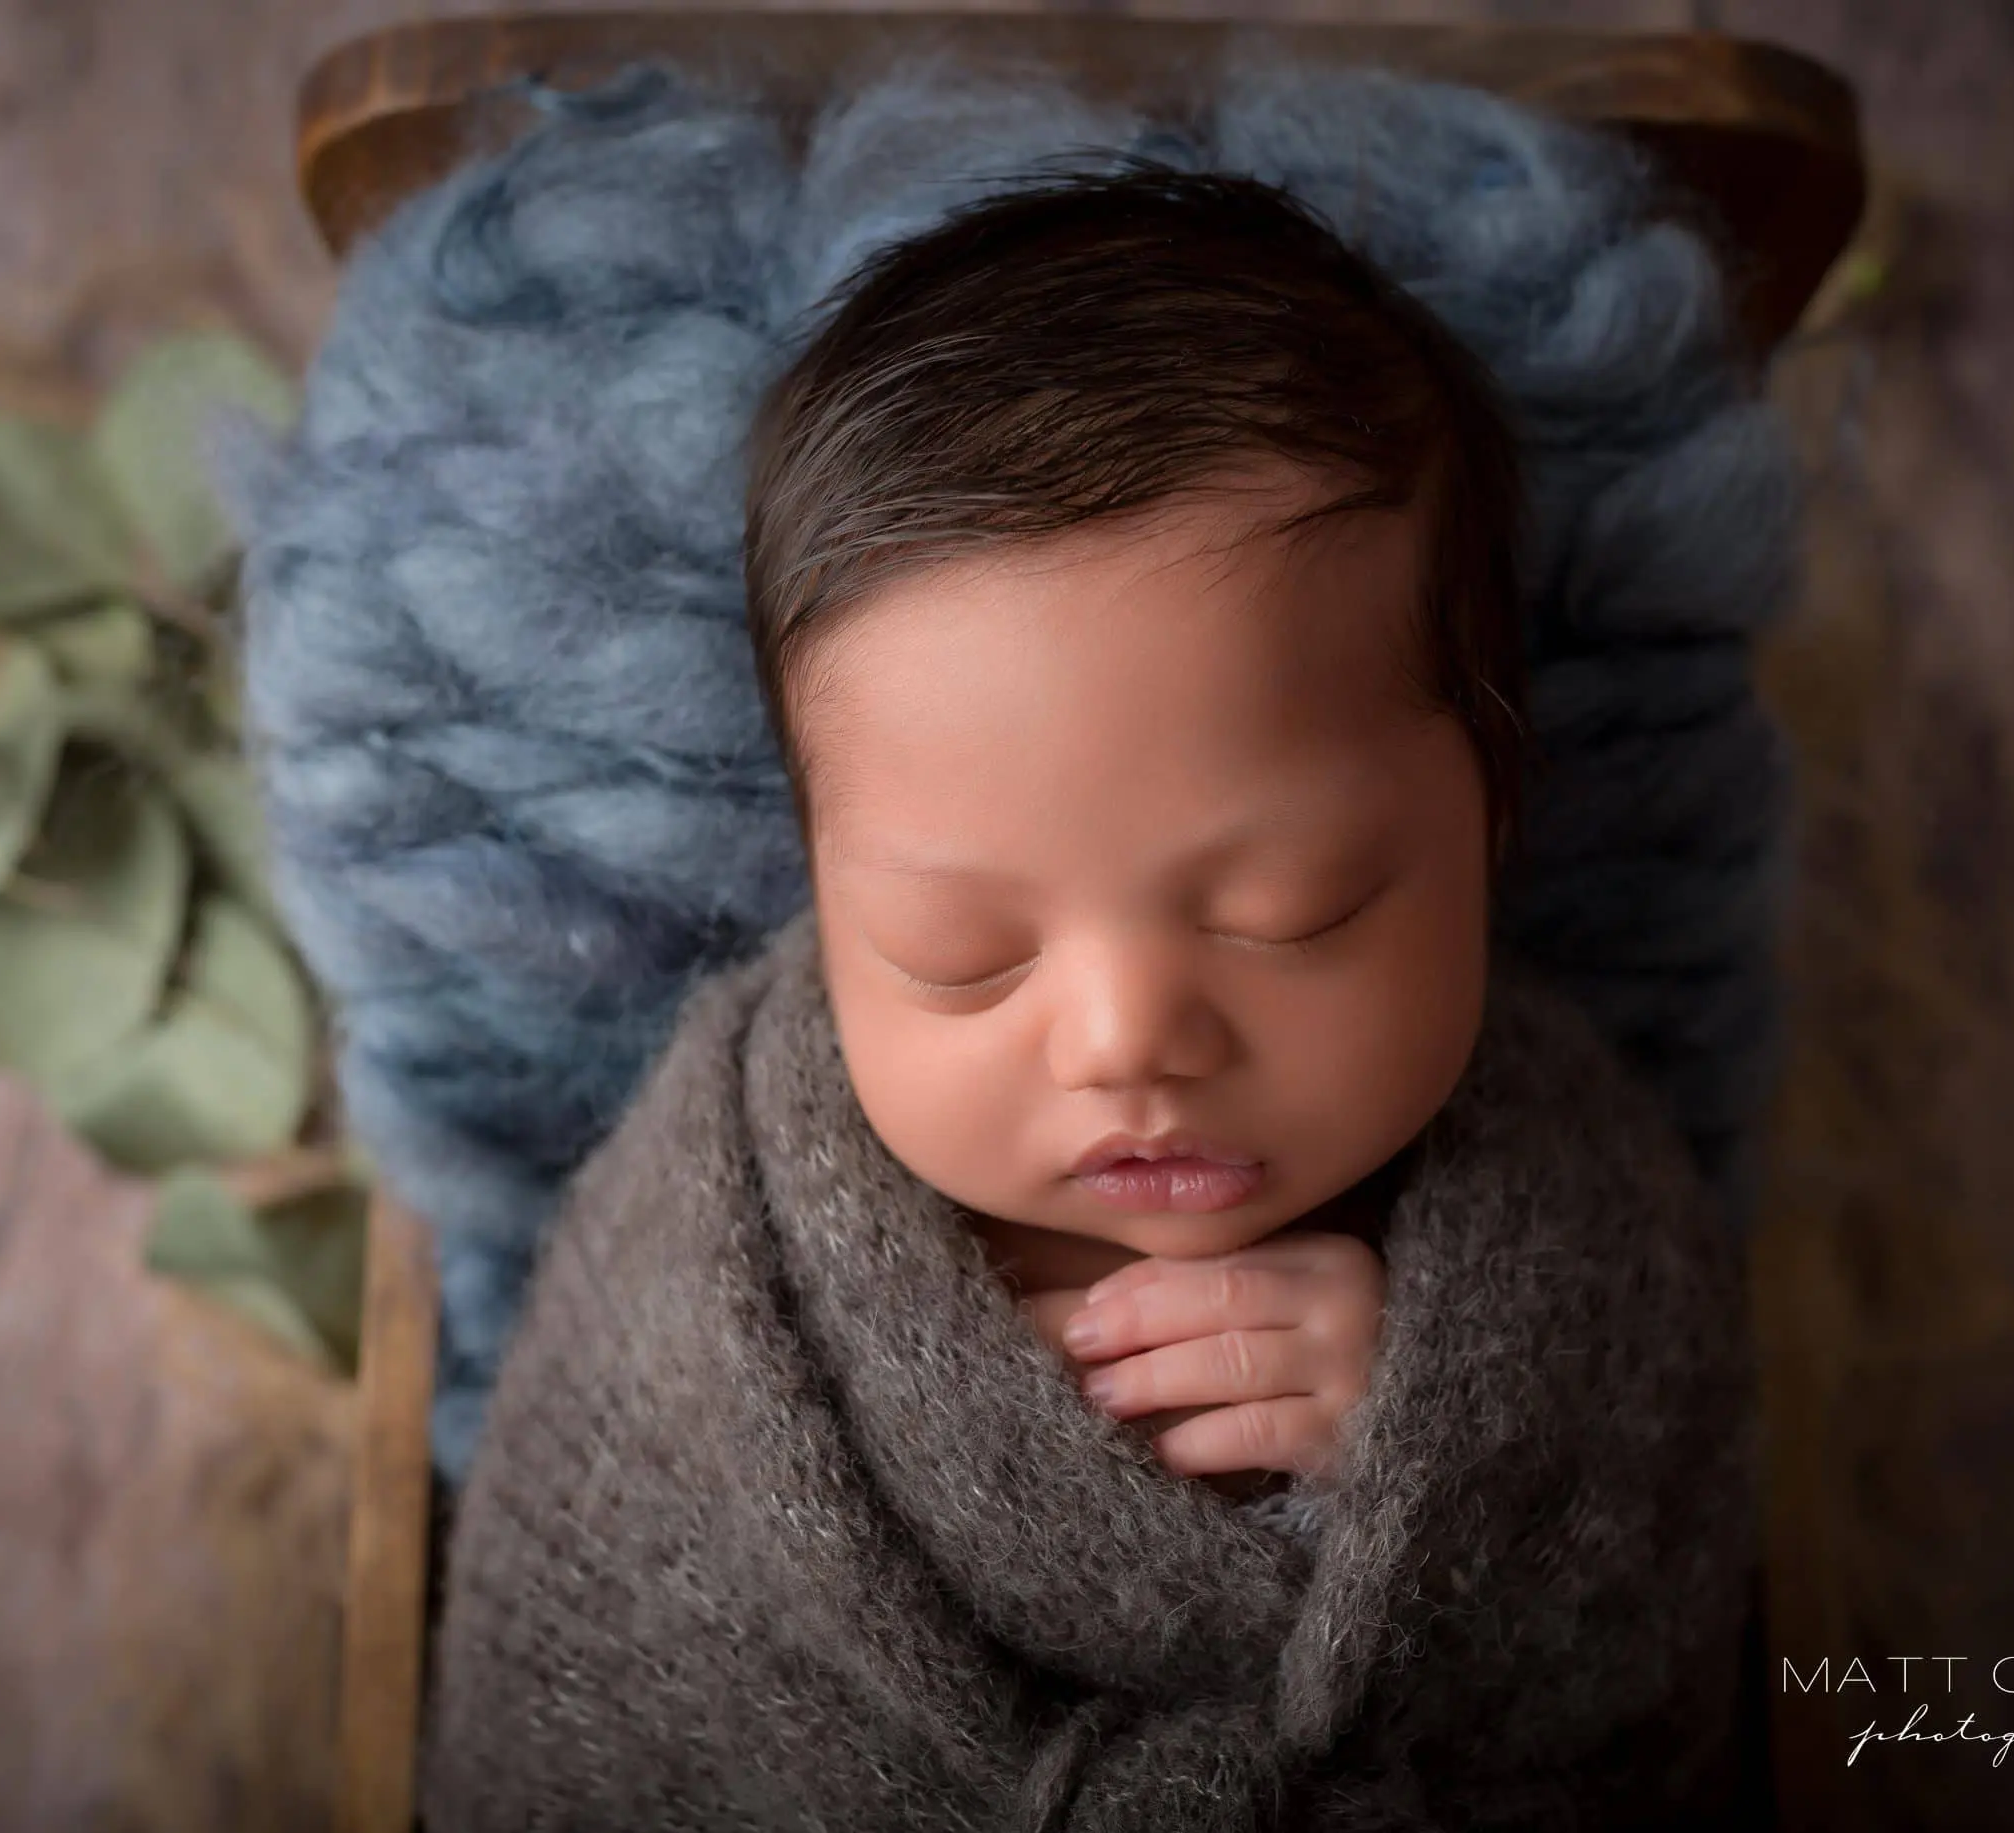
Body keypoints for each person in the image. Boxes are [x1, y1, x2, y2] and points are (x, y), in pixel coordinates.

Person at [420, 158, 1756, 1831]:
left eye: (1294, 908)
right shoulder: (710, 1258)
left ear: (1491, 811)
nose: (1128, 1041)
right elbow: (587, 1668)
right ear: (821, 900)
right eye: (960, 952)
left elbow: (1654, 1634)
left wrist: (1453, 1463)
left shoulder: (1578, 1222)